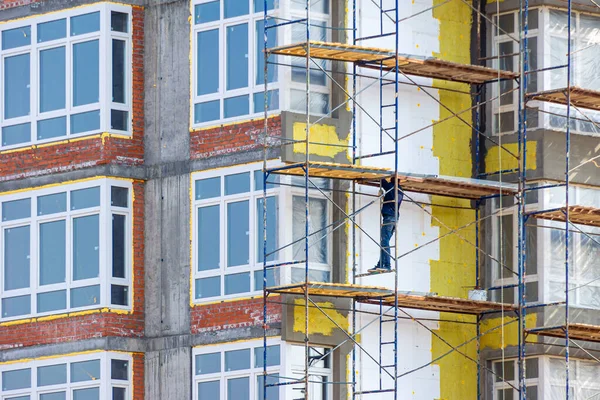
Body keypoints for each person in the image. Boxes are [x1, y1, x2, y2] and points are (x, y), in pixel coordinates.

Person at [369, 177, 403, 273]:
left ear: (392, 181)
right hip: (394, 218)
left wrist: (380, 174)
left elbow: (382, 181)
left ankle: (387, 265)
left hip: (389, 217)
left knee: (384, 242)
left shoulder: (391, 187)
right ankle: (380, 264)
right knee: (384, 242)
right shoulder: (400, 190)